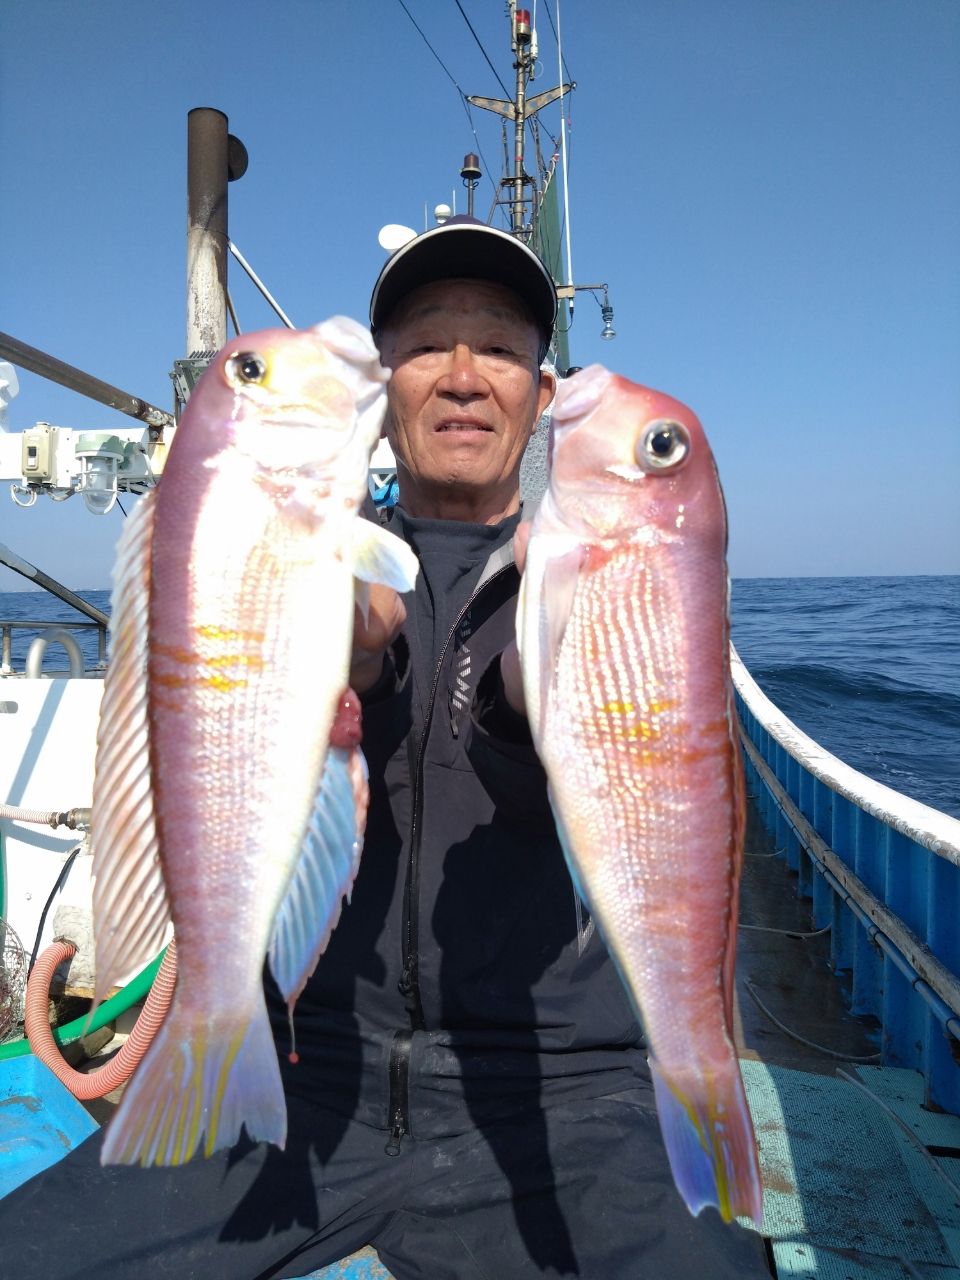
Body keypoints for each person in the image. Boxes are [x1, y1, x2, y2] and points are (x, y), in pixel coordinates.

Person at [0, 219, 770, 1279]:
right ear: (385, 382)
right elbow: (288, 670)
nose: (462, 374)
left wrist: (524, 701)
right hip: (313, 1066)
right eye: (425, 345)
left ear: (545, 397)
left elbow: (593, 721)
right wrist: (350, 667)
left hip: (566, 1089)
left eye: (499, 346)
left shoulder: (586, 568)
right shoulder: (328, 550)